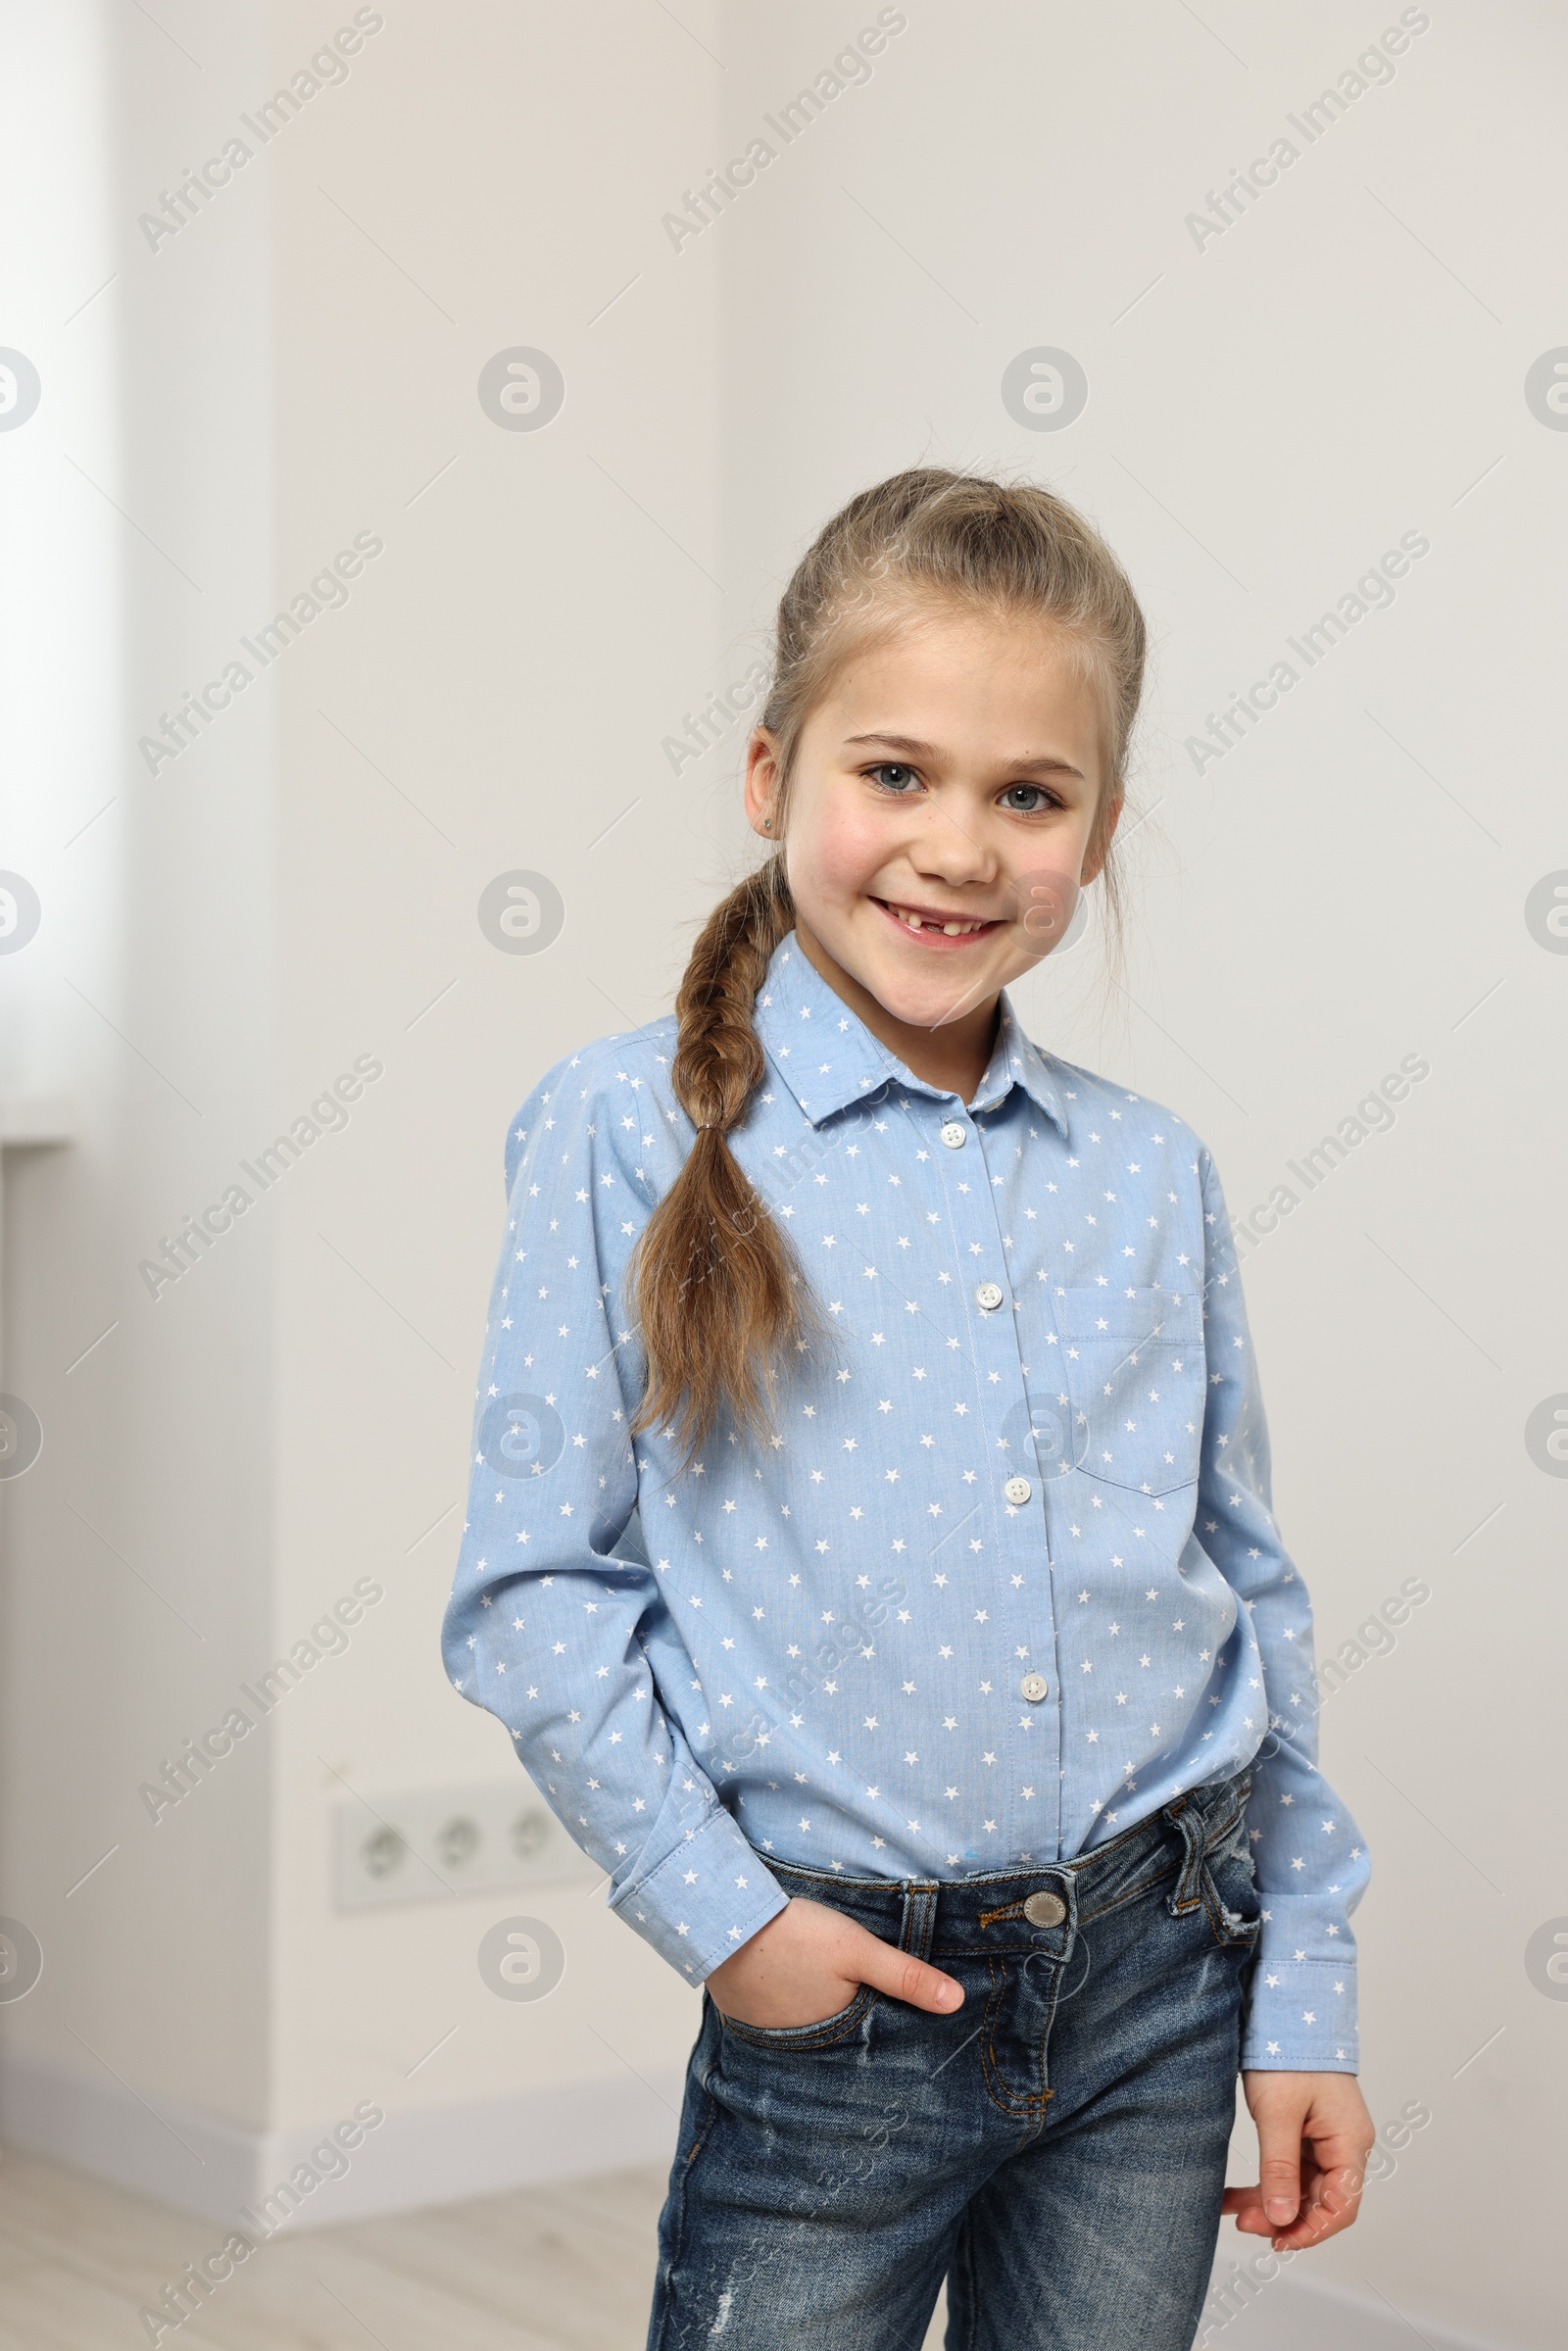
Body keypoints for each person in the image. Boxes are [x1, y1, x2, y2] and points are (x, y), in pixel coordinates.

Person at [442, 467, 1375, 2349]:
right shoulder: (622, 1131)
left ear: (1098, 831)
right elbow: (534, 1594)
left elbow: (1245, 1595)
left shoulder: (1149, 1173)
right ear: (771, 772)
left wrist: (1304, 1996)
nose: (959, 845)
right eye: (896, 774)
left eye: (1029, 795)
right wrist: (730, 1925)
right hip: (843, 1999)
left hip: (1163, 1979)